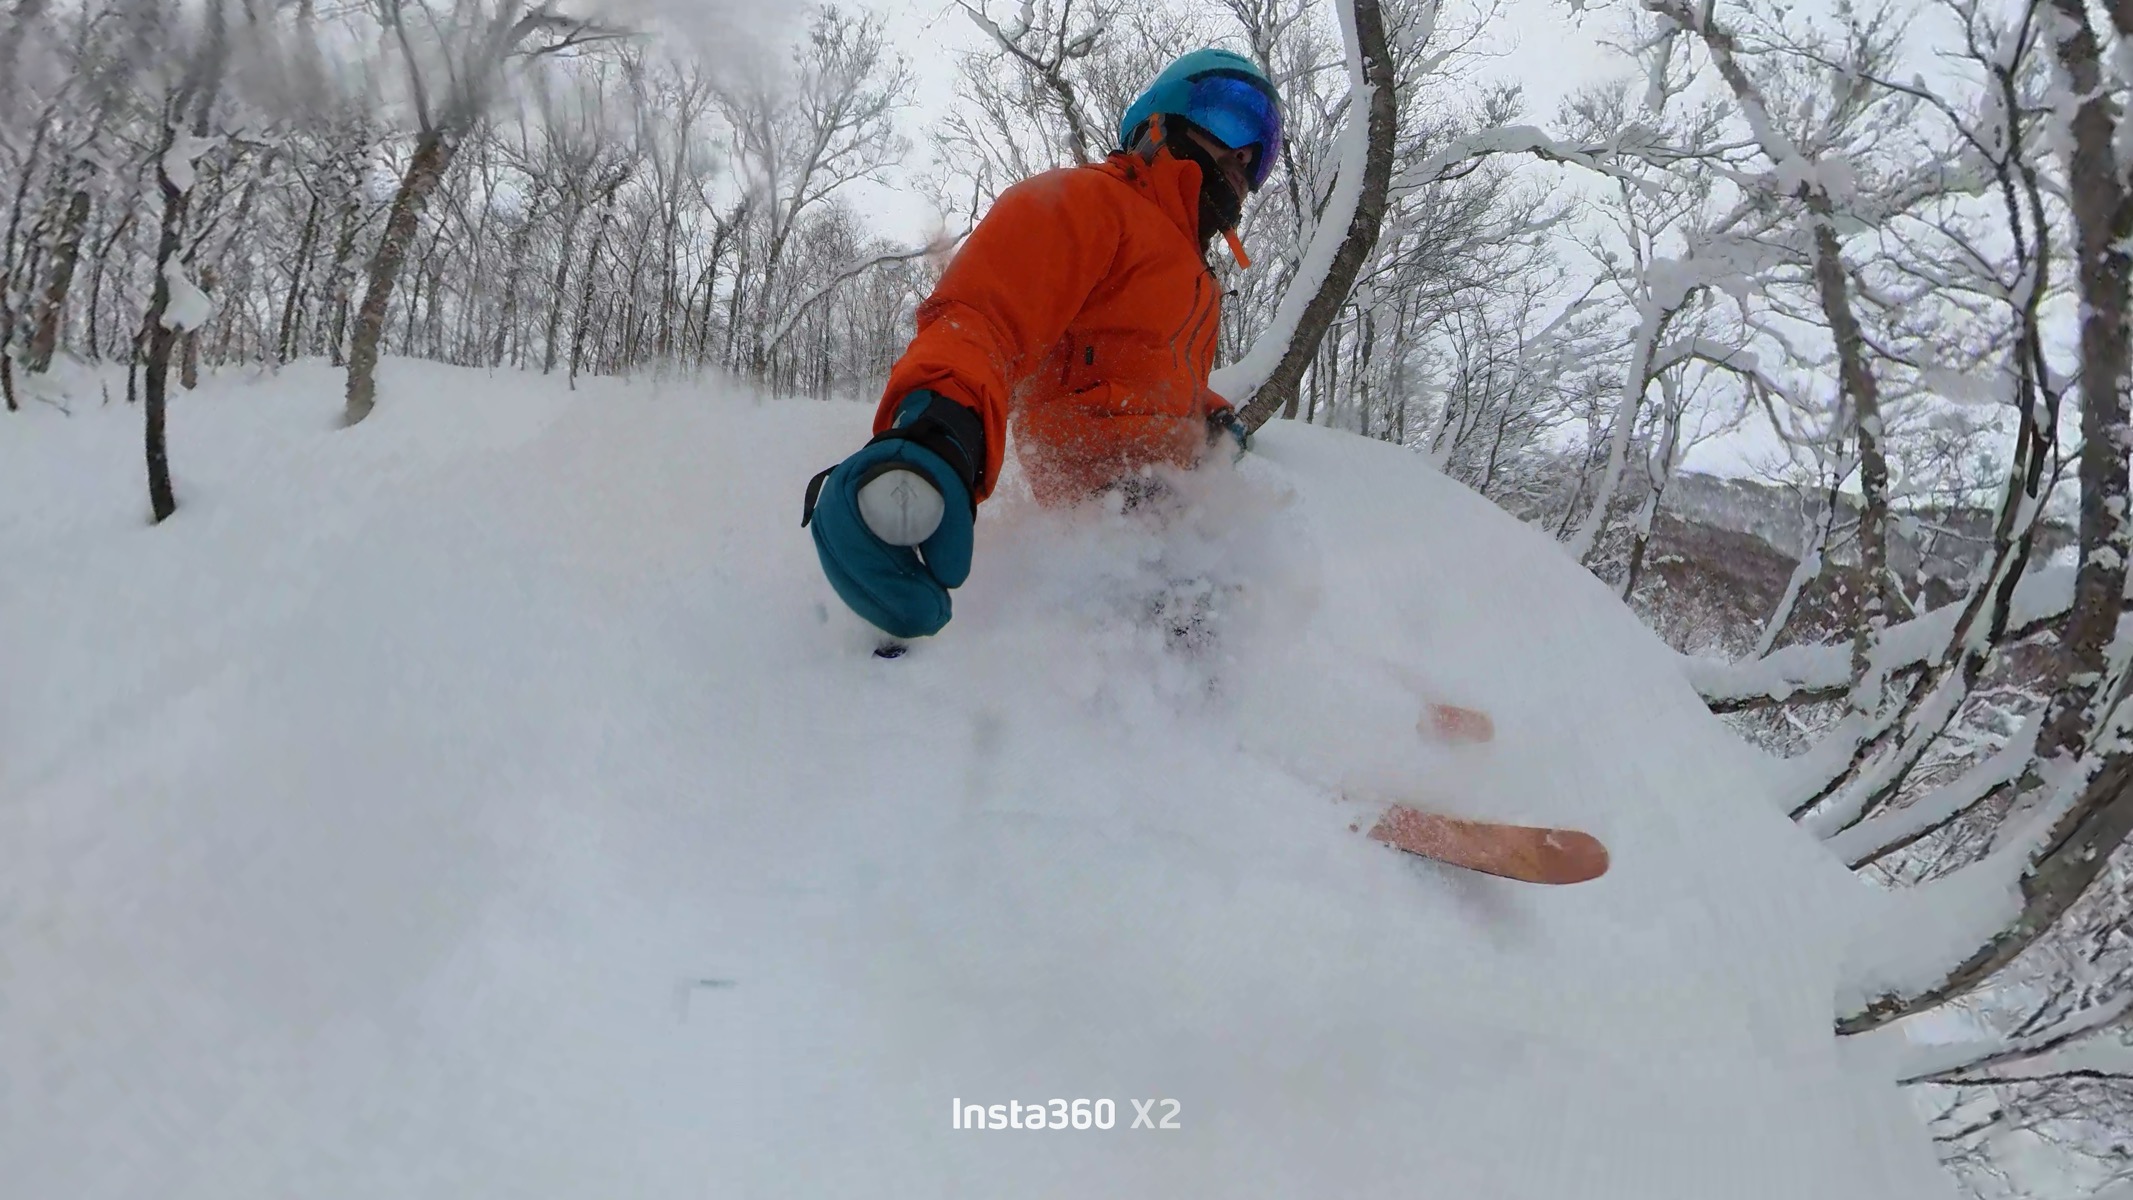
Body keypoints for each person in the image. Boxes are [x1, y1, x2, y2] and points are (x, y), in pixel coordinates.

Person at [802, 48, 1283, 640]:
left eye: (1262, 150)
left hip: (1179, 511)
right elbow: (983, 317)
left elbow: (1146, 374)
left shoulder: (1198, 282)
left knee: (1256, 650)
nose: (1244, 156)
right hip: (1104, 513)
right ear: (1162, 118)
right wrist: (937, 425)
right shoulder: (1087, 202)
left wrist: (1208, 417)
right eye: (1234, 118)